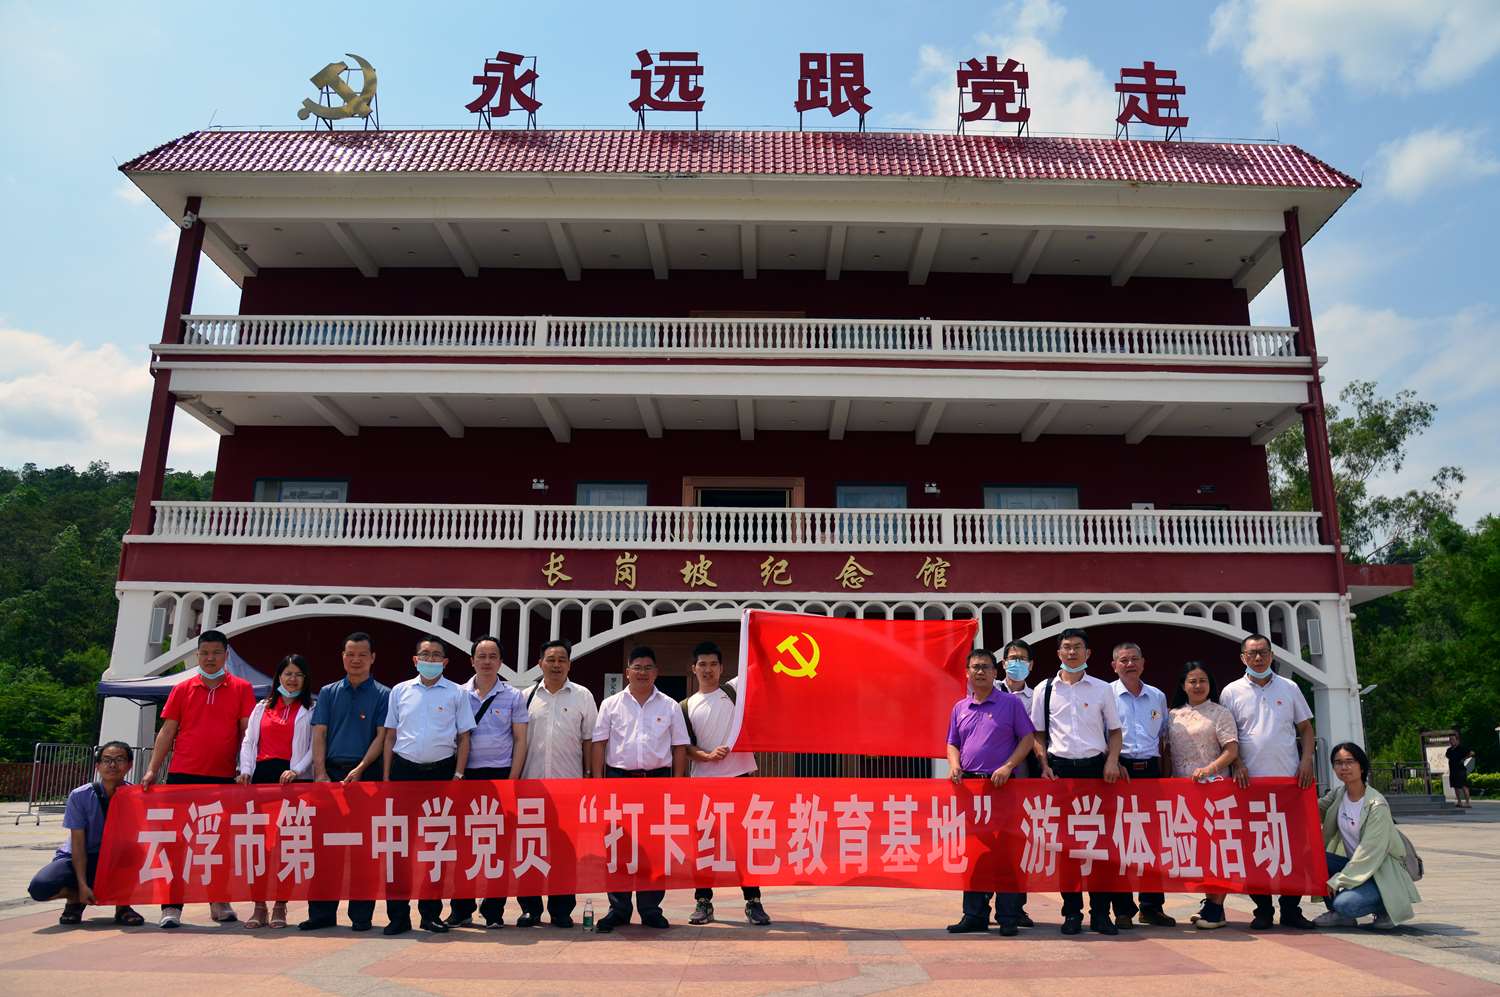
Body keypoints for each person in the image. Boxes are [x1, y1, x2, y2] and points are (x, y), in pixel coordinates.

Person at [140, 629, 255, 928]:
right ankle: (171, 906)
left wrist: (244, 769)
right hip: (182, 776)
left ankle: (219, 901)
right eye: (204, 653)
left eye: (216, 653)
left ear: (226, 655)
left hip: (222, 778)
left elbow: (246, 733)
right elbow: (167, 731)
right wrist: (154, 768)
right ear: (197, 655)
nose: (210, 658)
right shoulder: (182, 688)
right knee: (177, 843)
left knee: (218, 842)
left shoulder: (242, 688)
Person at [1028, 628, 1126, 936]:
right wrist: (1043, 764)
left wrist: (1111, 761)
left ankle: (1101, 914)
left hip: (1097, 772)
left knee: (1100, 845)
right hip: (1061, 773)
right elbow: (1038, 735)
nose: (1072, 653)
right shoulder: (1045, 689)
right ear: (1058, 653)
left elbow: (1115, 731)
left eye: (1077, 648)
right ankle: (1072, 913)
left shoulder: (1101, 689)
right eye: (1066, 648)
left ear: (1088, 654)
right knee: (1066, 848)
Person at [1222, 633, 1318, 930]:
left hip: (1290, 782)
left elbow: (1306, 728)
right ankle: (1262, 909)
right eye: (1252, 654)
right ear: (1243, 658)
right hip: (1249, 785)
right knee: (1255, 849)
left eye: (1263, 652)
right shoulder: (1231, 691)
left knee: (1293, 847)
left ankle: (1291, 908)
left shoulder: (1289, 688)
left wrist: (1306, 760)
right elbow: (1228, 737)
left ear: (1272, 654)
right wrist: (1236, 763)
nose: (1258, 658)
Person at [381, 635, 476, 935]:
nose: (431, 660)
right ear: (415, 660)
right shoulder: (400, 691)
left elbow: (464, 738)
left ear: (445, 662)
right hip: (403, 773)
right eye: (425, 655)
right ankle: (397, 915)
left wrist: (458, 775)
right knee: (400, 847)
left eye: (437, 656)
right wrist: (386, 777)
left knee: (437, 845)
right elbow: (390, 736)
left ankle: (430, 913)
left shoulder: (457, 694)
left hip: (441, 773)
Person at [591, 645, 689, 933]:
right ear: (628, 672)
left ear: (656, 672)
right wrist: (598, 783)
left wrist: (678, 783)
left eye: (648, 667)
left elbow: (679, 747)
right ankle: (618, 908)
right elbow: (599, 743)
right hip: (619, 780)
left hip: (657, 781)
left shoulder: (670, 705)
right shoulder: (611, 704)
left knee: (654, 846)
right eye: (638, 667)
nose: (643, 672)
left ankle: (650, 908)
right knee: (618, 845)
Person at [301, 631, 391, 932]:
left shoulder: (382, 694)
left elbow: (382, 736)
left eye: (362, 655)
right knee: (325, 849)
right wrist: (321, 773)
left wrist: (364, 767)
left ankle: (361, 916)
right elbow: (319, 733)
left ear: (372, 658)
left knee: (364, 850)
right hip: (331, 777)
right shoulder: (328, 692)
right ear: (342, 656)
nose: (356, 660)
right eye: (350, 654)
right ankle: (321, 914)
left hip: (366, 777)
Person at [946, 648, 1036, 936]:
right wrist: (954, 765)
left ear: (996, 672)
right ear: (967, 673)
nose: (980, 672)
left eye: (985, 667)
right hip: (971, 788)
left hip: (1002, 787)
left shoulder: (1010, 704)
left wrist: (1009, 766)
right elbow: (952, 742)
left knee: (1005, 852)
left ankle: (1008, 915)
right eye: (975, 667)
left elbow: (1027, 738)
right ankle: (974, 914)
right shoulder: (960, 707)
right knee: (975, 854)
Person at [682, 640, 772, 927]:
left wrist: (755, 628)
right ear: (693, 669)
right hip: (704, 783)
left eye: (713, 664)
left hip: (739, 779)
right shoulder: (685, 706)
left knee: (744, 843)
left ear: (722, 668)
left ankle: (753, 901)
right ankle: (703, 902)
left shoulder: (735, 691)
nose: (707, 669)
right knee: (705, 845)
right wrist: (706, 756)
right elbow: (686, 747)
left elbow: (762, 666)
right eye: (702, 664)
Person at [446, 635, 530, 929]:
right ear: (472, 661)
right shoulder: (457, 694)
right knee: (463, 844)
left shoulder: (513, 696)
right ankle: (461, 908)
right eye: (481, 656)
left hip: (500, 776)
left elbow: (520, 739)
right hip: (466, 777)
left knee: (500, 846)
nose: (486, 661)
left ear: (500, 662)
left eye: (492, 656)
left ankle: (493, 909)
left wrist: (512, 779)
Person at [516, 639, 598, 927]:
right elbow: (516, 742)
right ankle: (530, 908)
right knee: (530, 849)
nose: (556, 665)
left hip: (569, 787)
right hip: (531, 786)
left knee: (565, 852)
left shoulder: (583, 696)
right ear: (539, 663)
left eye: (562, 659)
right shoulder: (525, 696)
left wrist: (589, 778)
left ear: (569, 664)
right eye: (550, 659)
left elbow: (589, 740)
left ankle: (561, 909)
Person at [27, 741, 145, 927]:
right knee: (40, 888)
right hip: (78, 857)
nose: (112, 765)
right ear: (97, 766)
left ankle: (123, 906)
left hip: (114, 859)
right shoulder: (80, 795)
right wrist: (82, 885)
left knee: (138, 854)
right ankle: (75, 898)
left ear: (129, 765)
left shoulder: (136, 796)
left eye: (119, 759)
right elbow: (78, 844)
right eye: (106, 760)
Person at [236, 653, 314, 929]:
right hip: (261, 779)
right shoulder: (261, 708)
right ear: (278, 677)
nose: (292, 680)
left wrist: (298, 771)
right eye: (287, 673)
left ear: (305, 680)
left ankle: (281, 904)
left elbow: (314, 749)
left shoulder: (311, 710)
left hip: (292, 781)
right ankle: (259, 906)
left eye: (298, 675)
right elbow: (249, 741)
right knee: (259, 847)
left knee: (286, 844)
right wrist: (245, 769)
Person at [1165, 661, 1240, 930]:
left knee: (1218, 847)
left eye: (1202, 681)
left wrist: (1209, 769)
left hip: (1216, 790)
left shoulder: (1220, 713)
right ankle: (1209, 902)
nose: (1197, 686)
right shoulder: (1172, 715)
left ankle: (1216, 907)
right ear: (1183, 686)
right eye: (1192, 681)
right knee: (1199, 850)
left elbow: (1231, 750)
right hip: (1184, 792)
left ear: (1210, 685)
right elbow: (1166, 752)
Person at [1314, 742, 1422, 929]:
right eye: (1338, 762)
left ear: (1361, 766)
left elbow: (1369, 851)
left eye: (1350, 761)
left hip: (1380, 872)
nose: (1344, 767)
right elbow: (1313, 809)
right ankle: (1340, 916)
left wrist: (1338, 880)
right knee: (1314, 858)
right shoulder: (1339, 794)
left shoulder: (1376, 805)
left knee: (1345, 903)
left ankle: (1385, 907)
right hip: (1356, 867)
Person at [1108, 642, 1175, 928]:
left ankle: (1151, 905)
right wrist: (1113, 761)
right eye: (1123, 660)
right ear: (1114, 665)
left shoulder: (1157, 696)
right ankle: (1123, 908)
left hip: (1150, 771)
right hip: (1118, 771)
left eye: (1135, 659)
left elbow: (1164, 739)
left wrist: (1166, 775)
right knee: (1118, 840)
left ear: (1143, 663)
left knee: (1151, 840)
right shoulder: (1106, 694)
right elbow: (1102, 734)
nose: (1130, 664)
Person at [998, 639, 1039, 929]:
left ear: (1031, 664)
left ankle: (1015, 907)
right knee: (986, 842)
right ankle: (976, 908)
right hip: (986, 778)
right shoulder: (985, 691)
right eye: (1012, 658)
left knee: (1018, 844)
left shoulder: (1037, 697)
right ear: (1003, 664)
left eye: (1022, 659)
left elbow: (1040, 737)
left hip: (1022, 780)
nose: (1017, 662)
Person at [1446, 733, 1474, 809]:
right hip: (1453, 770)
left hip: (1460, 770)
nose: (1451, 741)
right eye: (1450, 740)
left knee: (1464, 786)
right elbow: (1448, 757)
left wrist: (1464, 759)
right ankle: (1459, 802)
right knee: (1455, 786)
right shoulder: (1449, 750)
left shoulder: (1461, 748)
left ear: (1457, 740)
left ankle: (1467, 802)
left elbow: (1472, 753)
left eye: (1453, 739)